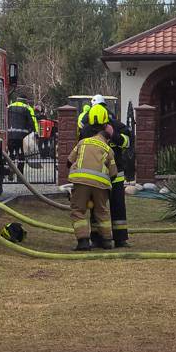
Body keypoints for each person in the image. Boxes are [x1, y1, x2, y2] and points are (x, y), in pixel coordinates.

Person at [79, 96, 133, 248]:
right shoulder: (87, 129)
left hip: (115, 174)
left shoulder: (116, 126)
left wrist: (113, 135)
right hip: (97, 175)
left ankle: (120, 238)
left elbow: (128, 142)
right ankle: (97, 238)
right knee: (96, 207)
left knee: (118, 206)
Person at [67, 105, 118, 251]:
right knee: (102, 211)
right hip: (101, 184)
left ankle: (83, 242)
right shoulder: (108, 149)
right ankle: (107, 241)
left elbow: (69, 161)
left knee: (78, 210)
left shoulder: (83, 142)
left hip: (81, 182)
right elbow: (113, 173)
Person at [7, 97, 38, 168]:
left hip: (10, 135)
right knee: (21, 156)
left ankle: (10, 169)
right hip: (22, 137)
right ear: (25, 101)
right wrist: (35, 132)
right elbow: (32, 122)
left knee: (11, 154)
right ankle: (20, 174)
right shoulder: (27, 108)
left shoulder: (9, 107)